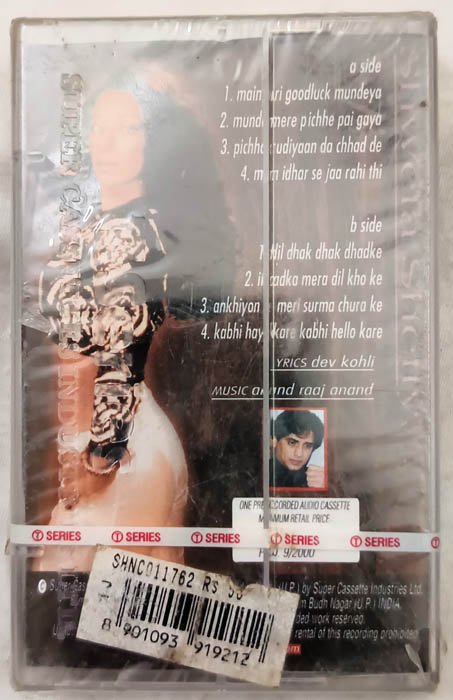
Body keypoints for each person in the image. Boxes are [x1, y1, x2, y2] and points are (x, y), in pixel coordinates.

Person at [33, 89, 195, 571]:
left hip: (121, 454)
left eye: (127, 128)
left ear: (152, 144)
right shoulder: (91, 226)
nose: (106, 141)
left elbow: (121, 356)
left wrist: (99, 459)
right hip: (96, 444)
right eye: (99, 126)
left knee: (93, 597)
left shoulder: (133, 231)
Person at [270, 410, 325, 489]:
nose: (299, 454)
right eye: (292, 442)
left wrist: (324, 489)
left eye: (307, 446)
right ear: (275, 441)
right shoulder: (257, 476)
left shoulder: (317, 481)